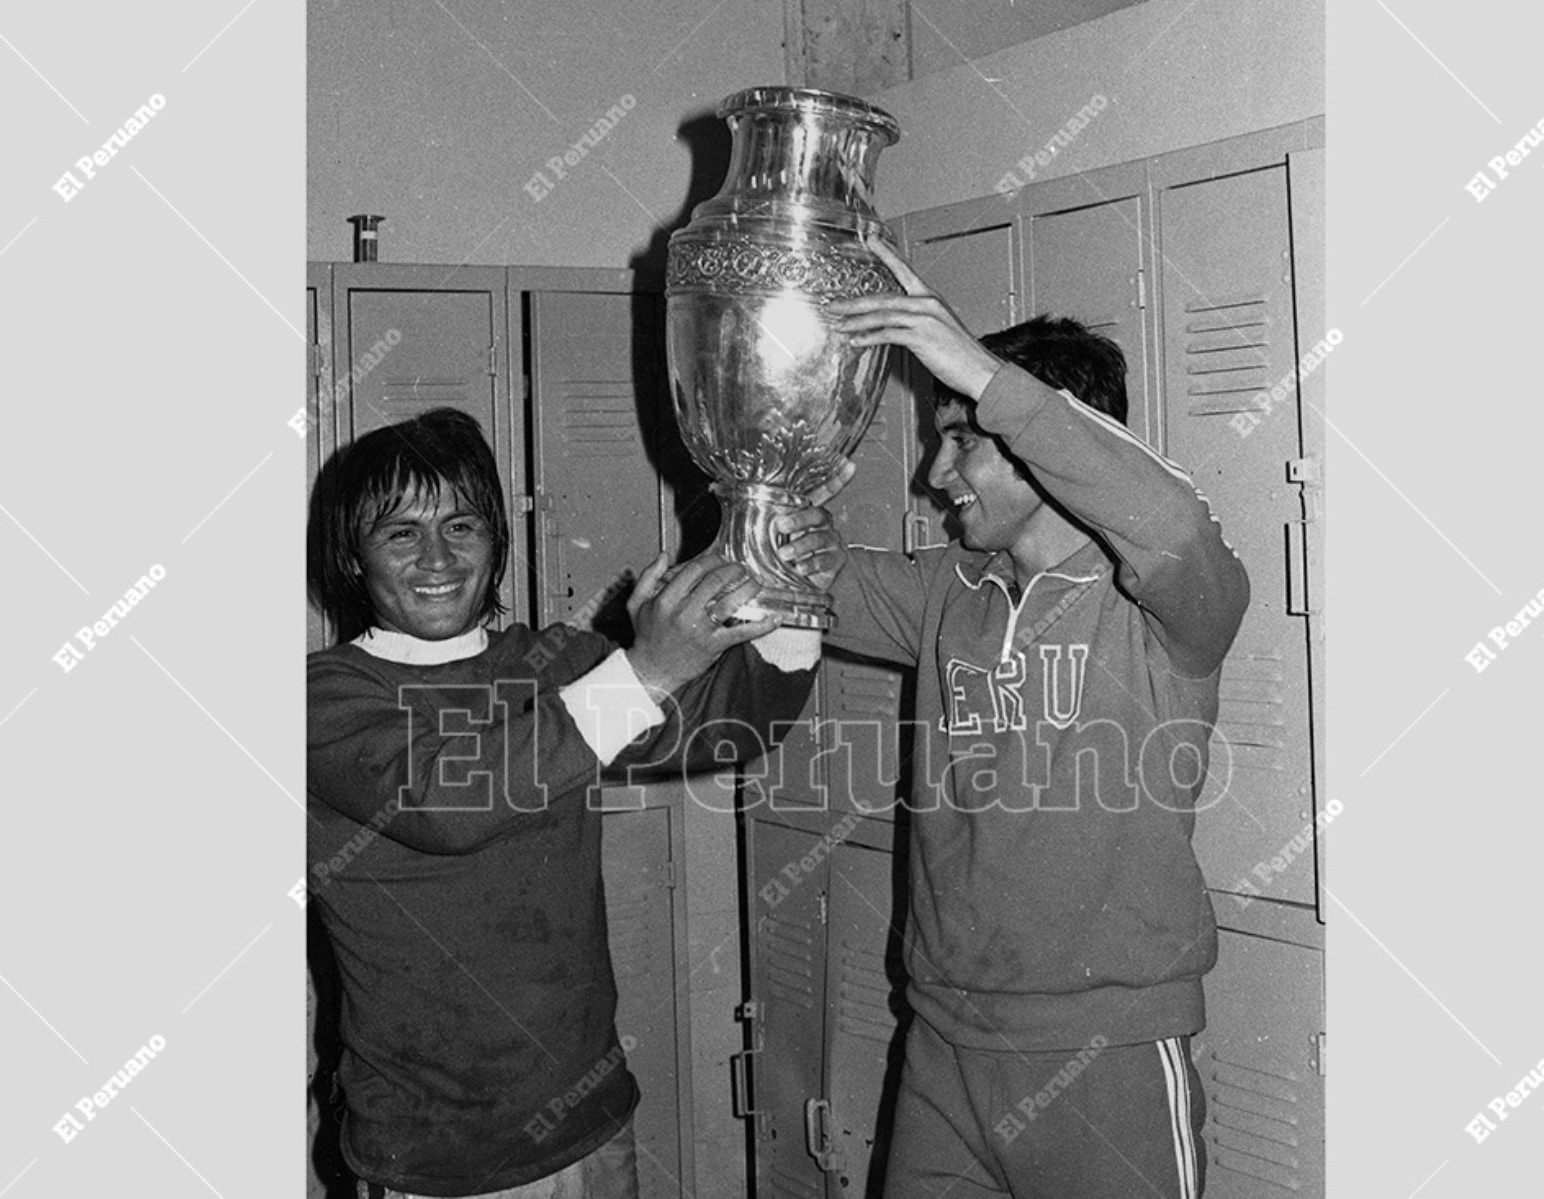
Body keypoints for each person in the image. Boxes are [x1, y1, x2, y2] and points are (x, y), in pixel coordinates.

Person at [776, 238, 1251, 1198]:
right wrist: (778, 494)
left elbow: (1171, 522)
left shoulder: (1166, 609)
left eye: (963, 439)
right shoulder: (951, 591)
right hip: (944, 1043)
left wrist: (984, 376)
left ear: (1040, 450)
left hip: (1104, 1050)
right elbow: (804, 575)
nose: (934, 475)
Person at [307, 407, 818, 1199]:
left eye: (462, 525)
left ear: (495, 540)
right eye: (401, 532)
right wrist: (645, 672)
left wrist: (790, 590)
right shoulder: (324, 695)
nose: (437, 556)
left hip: (593, 1127)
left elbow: (733, 725)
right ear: (353, 556)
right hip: (440, 1159)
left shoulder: (553, 664)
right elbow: (449, 800)